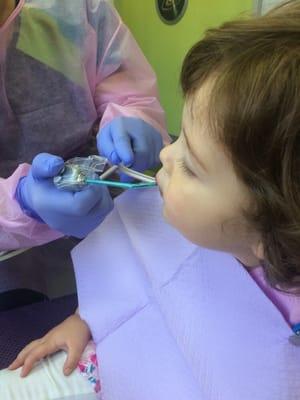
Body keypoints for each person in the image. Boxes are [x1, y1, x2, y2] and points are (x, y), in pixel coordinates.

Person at [3, 0, 300, 399]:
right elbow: (146, 288)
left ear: (271, 228)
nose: (164, 152)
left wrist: (134, 119)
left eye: (190, 165)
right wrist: (87, 318)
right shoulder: (222, 228)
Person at [0, 0, 168, 304]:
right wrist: (19, 203)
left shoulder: (74, 9)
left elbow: (130, 90)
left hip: (110, 234)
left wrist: (133, 119)